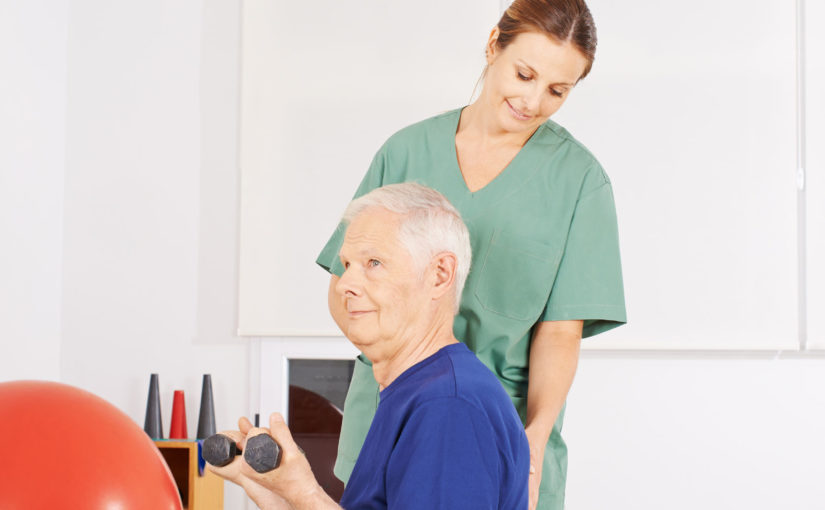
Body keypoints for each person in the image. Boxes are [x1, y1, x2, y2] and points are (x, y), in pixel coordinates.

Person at [316, 1, 627, 509]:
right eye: (524, 74)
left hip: (499, 430)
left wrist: (535, 436)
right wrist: (387, 365)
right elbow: (346, 281)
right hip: (392, 413)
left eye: (556, 91)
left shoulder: (579, 182)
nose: (532, 100)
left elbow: (560, 332)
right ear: (492, 45)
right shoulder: (406, 152)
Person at [209, 183, 530, 509]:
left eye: (374, 263)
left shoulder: (449, 406)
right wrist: (278, 496)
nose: (345, 284)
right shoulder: (415, 392)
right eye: (347, 265)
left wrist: (305, 493)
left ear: (439, 275)